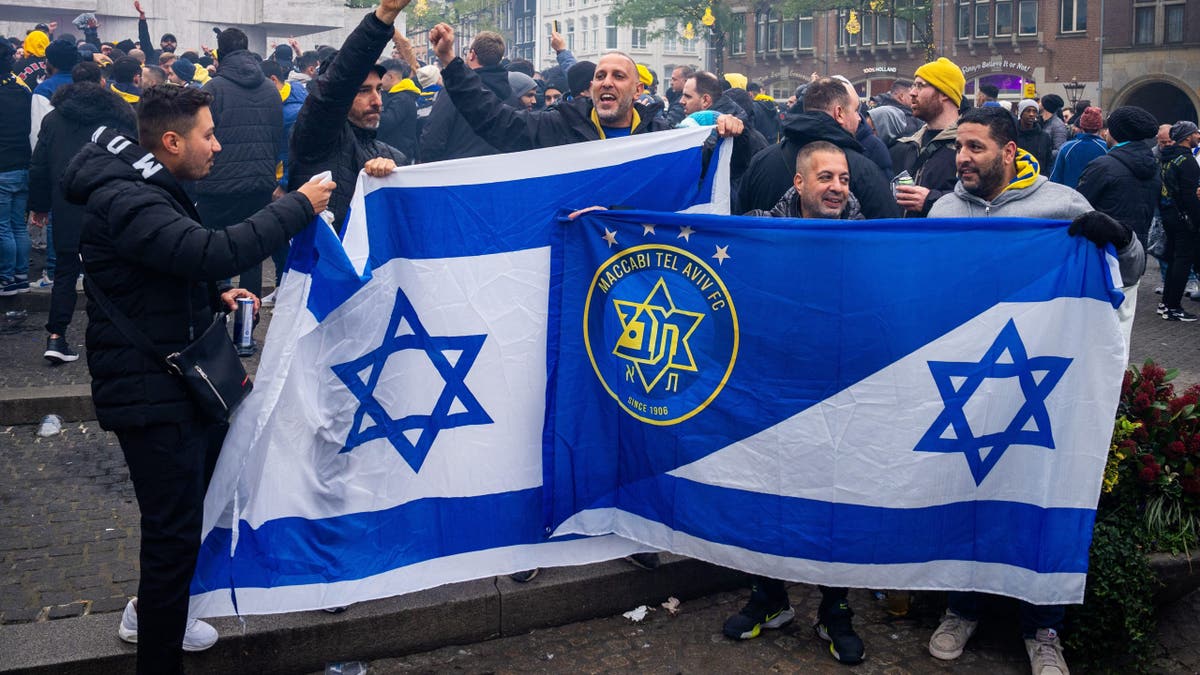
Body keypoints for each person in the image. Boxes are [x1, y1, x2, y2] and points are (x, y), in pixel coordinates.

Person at [63, 84, 334, 675]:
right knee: (171, 538)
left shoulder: (145, 185)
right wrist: (297, 207)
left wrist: (213, 294)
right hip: (149, 397)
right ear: (170, 141)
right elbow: (207, 249)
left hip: (173, 386)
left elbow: (165, 268)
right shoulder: (127, 198)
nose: (217, 145)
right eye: (208, 134)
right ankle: (156, 647)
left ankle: (160, 611)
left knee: (193, 516)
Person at [926, 106, 1144, 675]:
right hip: (967, 381)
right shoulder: (945, 208)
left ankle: (1043, 626)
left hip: (1039, 387)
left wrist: (1119, 239)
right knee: (967, 496)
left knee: (1042, 493)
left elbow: (1132, 267)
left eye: (976, 147)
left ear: (1010, 151)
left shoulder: (1062, 205)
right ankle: (961, 607)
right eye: (960, 147)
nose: (963, 158)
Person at [725, 141, 866, 666]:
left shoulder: (871, 237)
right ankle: (770, 597)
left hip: (840, 384)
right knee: (770, 491)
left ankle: (835, 607)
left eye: (844, 179)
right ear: (800, 184)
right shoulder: (762, 227)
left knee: (836, 496)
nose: (837, 188)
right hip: (774, 383)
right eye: (825, 177)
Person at [429, 23, 743, 151]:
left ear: (637, 91)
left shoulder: (659, 138)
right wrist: (451, 62)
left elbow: (720, 170)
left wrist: (735, 133)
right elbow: (494, 119)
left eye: (619, 77)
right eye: (601, 76)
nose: (607, 81)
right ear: (591, 87)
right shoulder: (558, 126)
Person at [29, 62, 138, 363]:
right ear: (102, 82)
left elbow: (39, 166)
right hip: (111, 201)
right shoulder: (121, 116)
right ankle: (114, 338)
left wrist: (39, 207)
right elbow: (134, 155)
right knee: (111, 269)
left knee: (65, 271)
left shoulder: (53, 119)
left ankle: (56, 336)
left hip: (66, 202)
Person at [287, 0, 411, 234]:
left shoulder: (393, 156)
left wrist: (391, 175)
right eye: (364, 91)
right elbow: (335, 88)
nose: (377, 101)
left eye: (379, 89)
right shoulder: (316, 139)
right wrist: (381, 18)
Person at [196, 27, 283, 302]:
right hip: (259, 183)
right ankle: (247, 328)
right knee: (251, 254)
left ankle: (218, 314)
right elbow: (277, 137)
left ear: (219, 54)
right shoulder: (271, 89)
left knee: (212, 250)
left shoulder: (212, 89)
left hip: (217, 184)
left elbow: (201, 137)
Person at [741, 76, 898, 219]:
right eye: (856, 110)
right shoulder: (864, 169)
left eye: (844, 180)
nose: (859, 118)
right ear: (839, 113)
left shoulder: (761, 161)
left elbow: (739, 231)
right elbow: (887, 234)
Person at [1075, 106, 1161, 252]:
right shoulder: (1153, 165)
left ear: (1115, 133)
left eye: (1109, 128)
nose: (1106, 132)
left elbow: (1079, 207)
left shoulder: (1103, 166)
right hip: (1136, 249)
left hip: (1103, 249)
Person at [418, 30, 510, 162]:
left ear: (472, 55)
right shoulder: (511, 94)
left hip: (458, 173)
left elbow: (433, 138)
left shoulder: (455, 91)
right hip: (496, 173)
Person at [893, 58, 964, 217]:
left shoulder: (968, 146)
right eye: (913, 85)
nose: (912, 92)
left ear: (944, 93)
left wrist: (930, 201)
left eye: (920, 85)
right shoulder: (910, 144)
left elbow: (980, 201)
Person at [1158, 121, 1200, 322]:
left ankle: (1166, 303)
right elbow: (1190, 196)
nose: (1198, 136)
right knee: (1183, 261)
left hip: (1169, 214)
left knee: (1174, 259)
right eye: (1195, 133)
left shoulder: (1167, 158)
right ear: (1187, 136)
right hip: (1185, 218)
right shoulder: (1188, 162)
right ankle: (1174, 306)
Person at [0, 38, 32, 296]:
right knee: (18, 225)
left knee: (2, 226)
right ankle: (21, 274)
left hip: (2, 167)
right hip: (23, 163)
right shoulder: (22, 88)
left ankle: (6, 278)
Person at [1048, 106, 1106, 188]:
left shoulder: (1067, 148)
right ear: (1100, 127)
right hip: (1097, 198)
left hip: (1070, 197)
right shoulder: (1106, 148)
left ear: (1081, 126)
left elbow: (1054, 179)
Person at [377, 58, 419, 160]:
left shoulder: (402, 99)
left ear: (390, 76)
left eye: (380, 77)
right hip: (393, 152)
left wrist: (371, 112)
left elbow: (387, 121)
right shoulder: (396, 96)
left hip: (398, 154)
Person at [1015, 98, 1052, 172]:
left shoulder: (1044, 137)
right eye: (1028, 111)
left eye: (1034, 111)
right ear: (1021, 113)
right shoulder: (1012, 134)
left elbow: (1048, 161)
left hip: (1039, 178)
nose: (1031, 114)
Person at [1039, 94, 1069, 158]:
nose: (1039, 104)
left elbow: (1060, 150)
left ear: (1045, 105)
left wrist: (1042, 153)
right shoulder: (1039, 121)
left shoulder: (1058, 125)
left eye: (1041, 102)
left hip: (1050, 165)